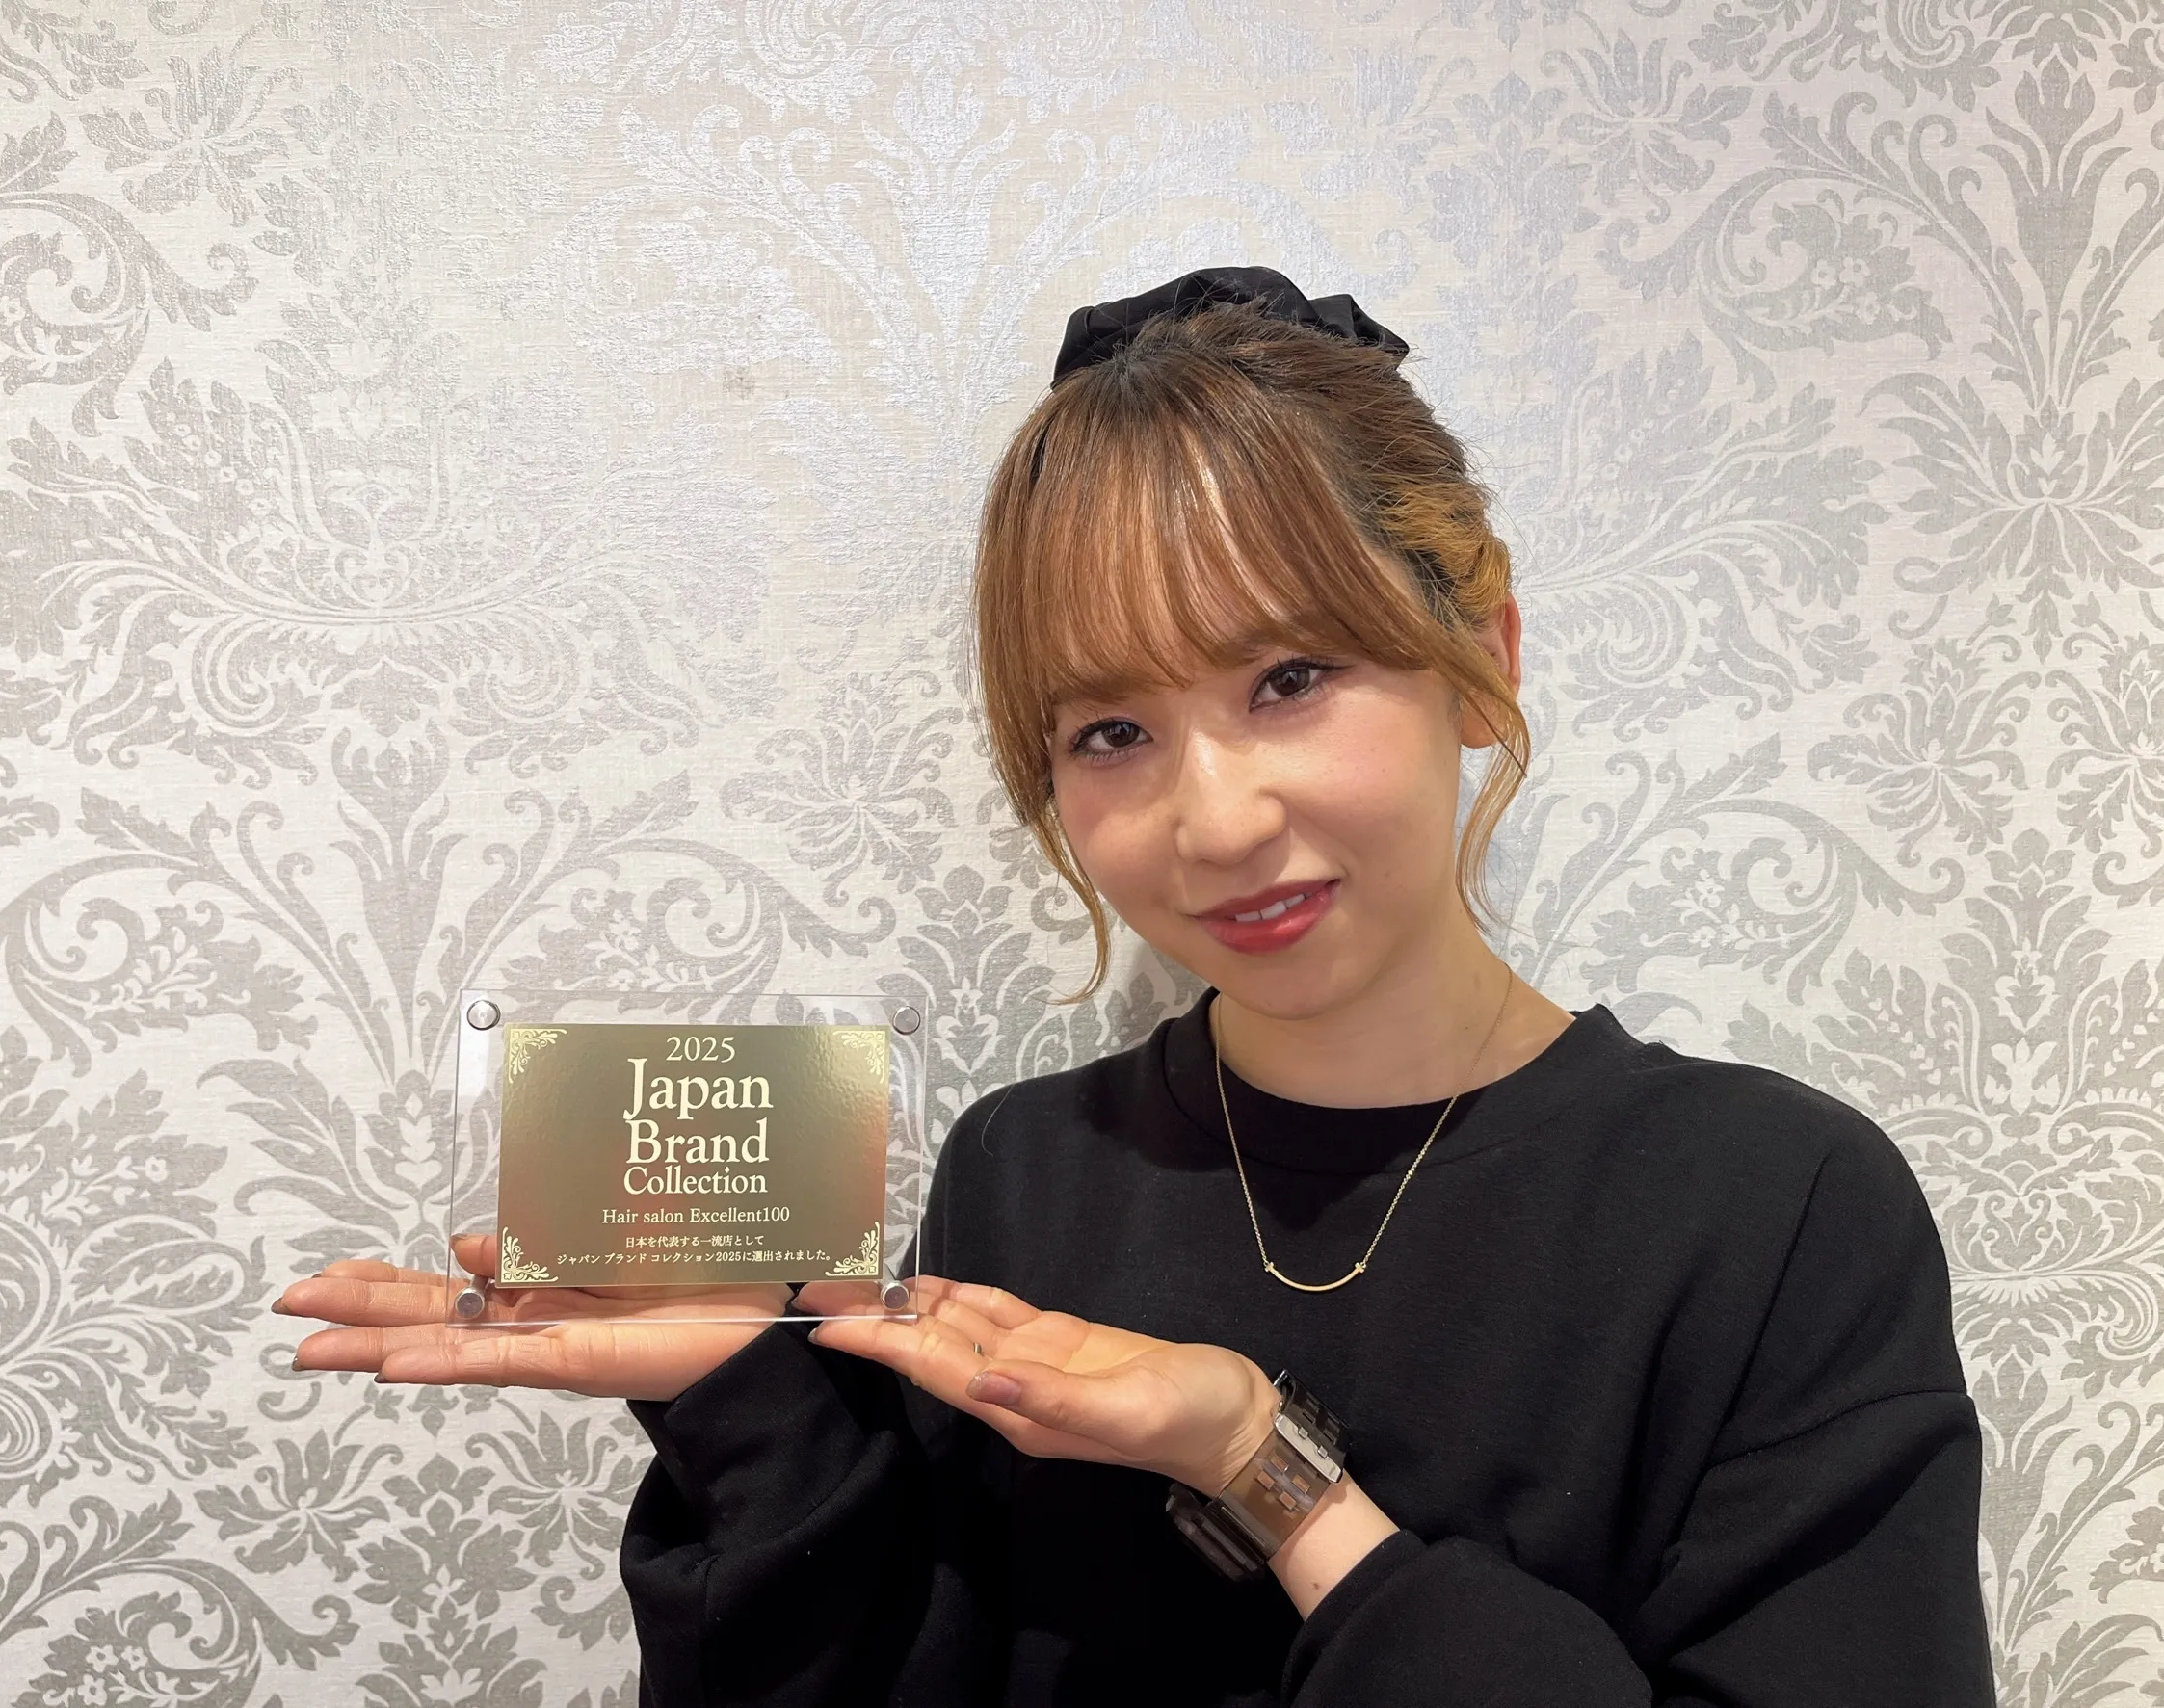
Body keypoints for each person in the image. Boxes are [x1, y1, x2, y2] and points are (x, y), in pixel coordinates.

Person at [275, 266, 1996, 1707]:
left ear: (1482, 660)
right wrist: (750, 1395)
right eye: (1111, 731)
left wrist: (1267, 1473)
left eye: (1290, 677)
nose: (1215, 820)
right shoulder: (1030, 1170)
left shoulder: (1774, 1206)